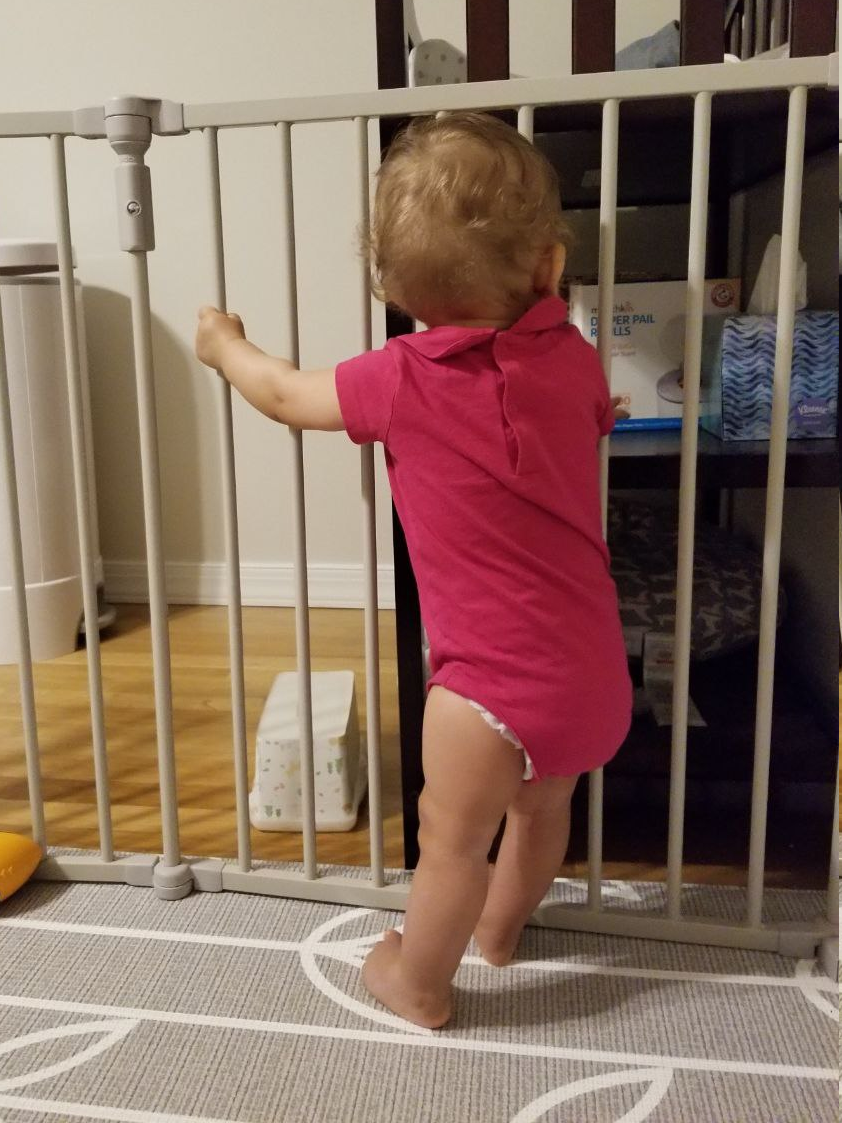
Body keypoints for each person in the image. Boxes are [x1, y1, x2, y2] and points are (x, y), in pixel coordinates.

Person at [195, 111, 632, 1030]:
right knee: (541, 808)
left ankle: (420, 982)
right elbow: (593, 418)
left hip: (482, 688)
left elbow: (282, 395)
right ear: (550, 269)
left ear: (394, 288)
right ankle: (504, 934)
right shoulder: (578, 360)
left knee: (452, 839)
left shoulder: (400, 375)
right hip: (591, 669)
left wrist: (225, 346)